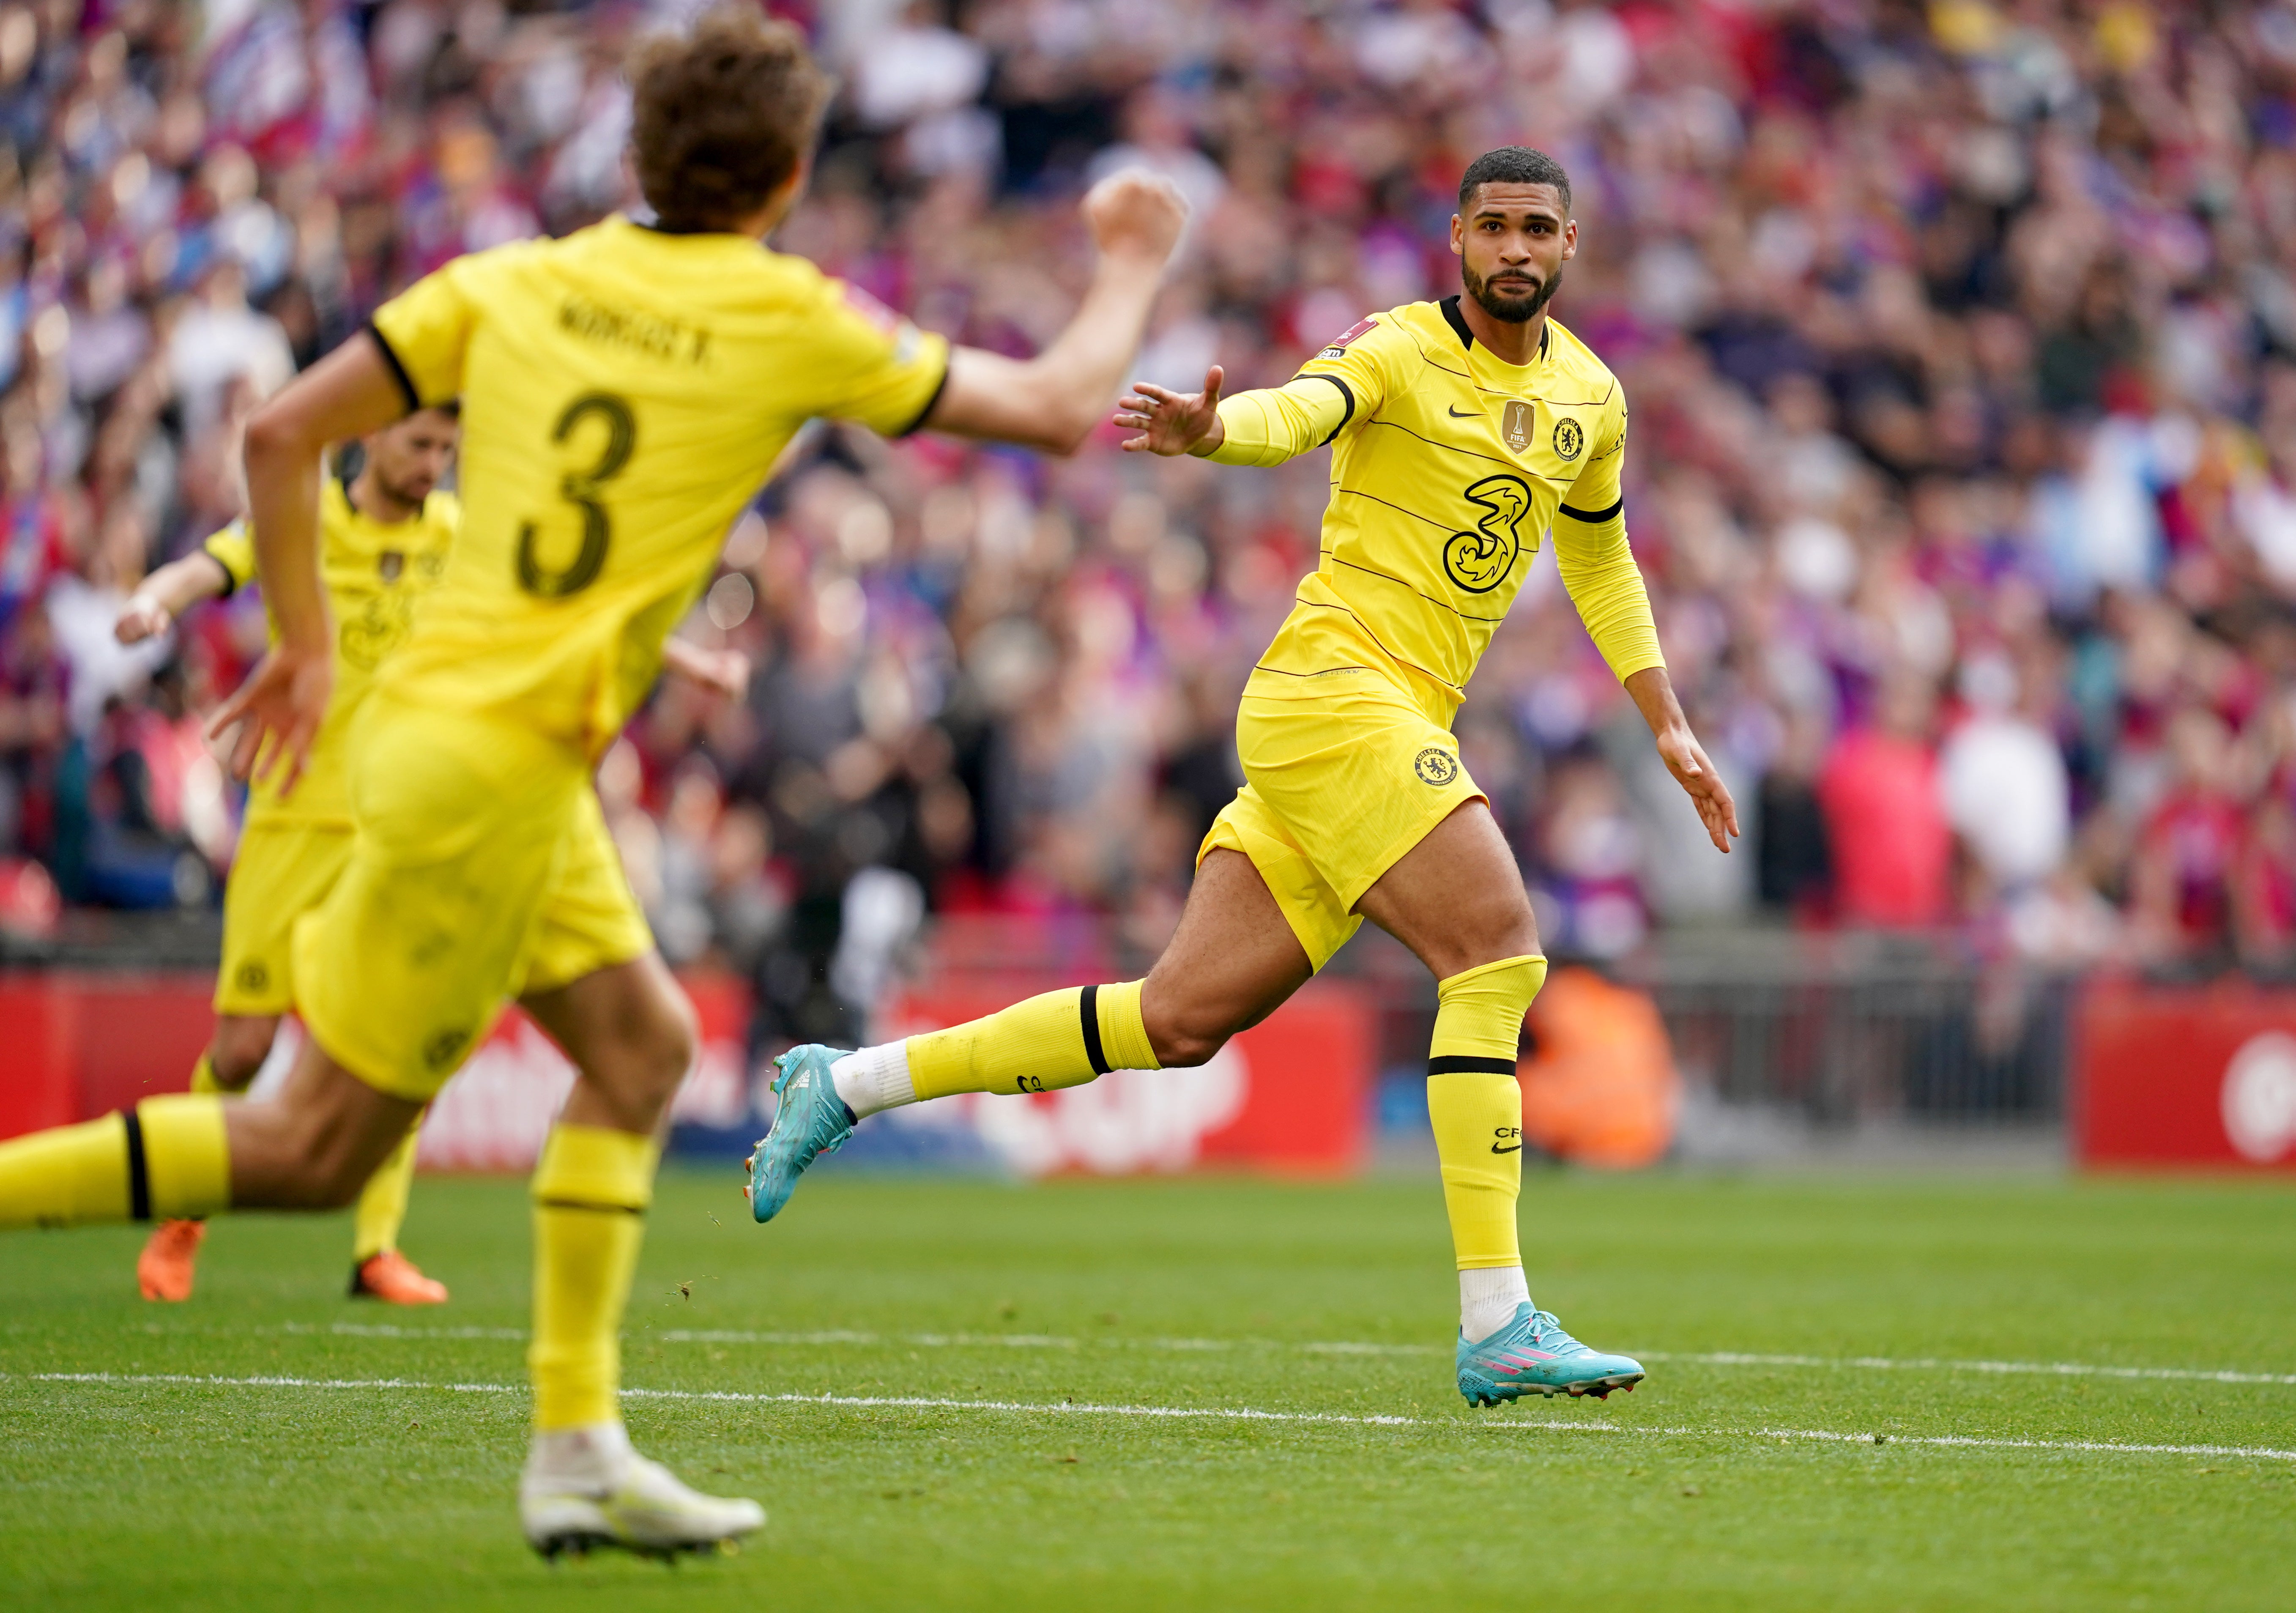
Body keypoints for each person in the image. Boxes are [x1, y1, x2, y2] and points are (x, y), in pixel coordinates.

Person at [0, 7, 1186, 1561]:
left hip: (492, 748)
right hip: (487, 767)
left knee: (638, 1046)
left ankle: (576, 1447)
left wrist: (299, 642)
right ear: (787, 177)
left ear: (635, 157)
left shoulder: (514, 282)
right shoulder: (787, 311)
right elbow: (1048, 408)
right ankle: (564, 1440)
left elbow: (283, 432)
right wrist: (1131, 262)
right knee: (310, 1149)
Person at [748, 146, 1739, 1409]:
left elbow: (1600, 559)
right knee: (1497, 954)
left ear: (1571, 244)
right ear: (1456, 239)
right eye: (1492, 226)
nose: (1515, 249)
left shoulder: (1593, 399)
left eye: (1537, 228)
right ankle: (1499, 1319)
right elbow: (1296, 411)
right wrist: (1218, 432)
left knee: (1174, 1021)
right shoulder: (1394, 349)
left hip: (1370, 729)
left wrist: (1666, 721)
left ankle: (844, 1082)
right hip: (1336, 695)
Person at [115, 407, 750, 1308]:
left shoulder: (459, 535)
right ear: (368, 438)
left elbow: (568, 609)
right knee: (245, 1048)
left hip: (399, 830)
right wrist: (156, 601)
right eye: (419, 445)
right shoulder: (306, 521)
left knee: (407, 1037)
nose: (433, 466)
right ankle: (182, 1220)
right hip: (296, 818)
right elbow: (211, 565)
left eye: (448, 451)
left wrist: (688, 664)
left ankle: (376, 1251)